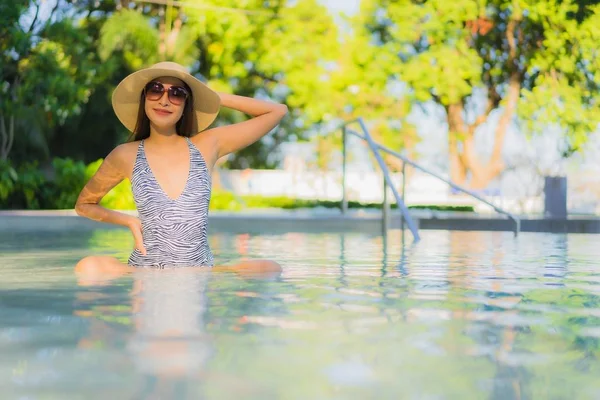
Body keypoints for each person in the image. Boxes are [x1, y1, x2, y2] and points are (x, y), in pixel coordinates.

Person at [74, 61, 287, 280]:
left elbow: (277, 111)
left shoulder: (207, 145)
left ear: (187, 103)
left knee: (269, 268)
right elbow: (84, 205)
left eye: (177, 93)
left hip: (199, 270)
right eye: (155, 90)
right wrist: (128, 221)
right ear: (144, 97)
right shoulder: (125, 154)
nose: (164, 100)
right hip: (145, 270)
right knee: (87, 267)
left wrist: (212, 96)